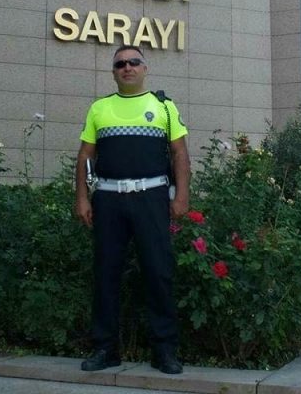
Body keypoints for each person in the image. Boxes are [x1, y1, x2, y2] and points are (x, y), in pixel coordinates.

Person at [75, 45, 190, 375]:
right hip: (108, 200)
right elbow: (85, 155)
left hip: (151, 198)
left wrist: (182, 196)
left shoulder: (163, 107)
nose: (127, 67)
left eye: (134, 62)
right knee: (106, 273)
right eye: (120, 64)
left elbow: (179, 153)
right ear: (113, 72)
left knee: (158, 272)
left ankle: (164, 351)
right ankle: (105, 349)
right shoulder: (100, 108)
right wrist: (82, 198)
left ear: (145, 68)